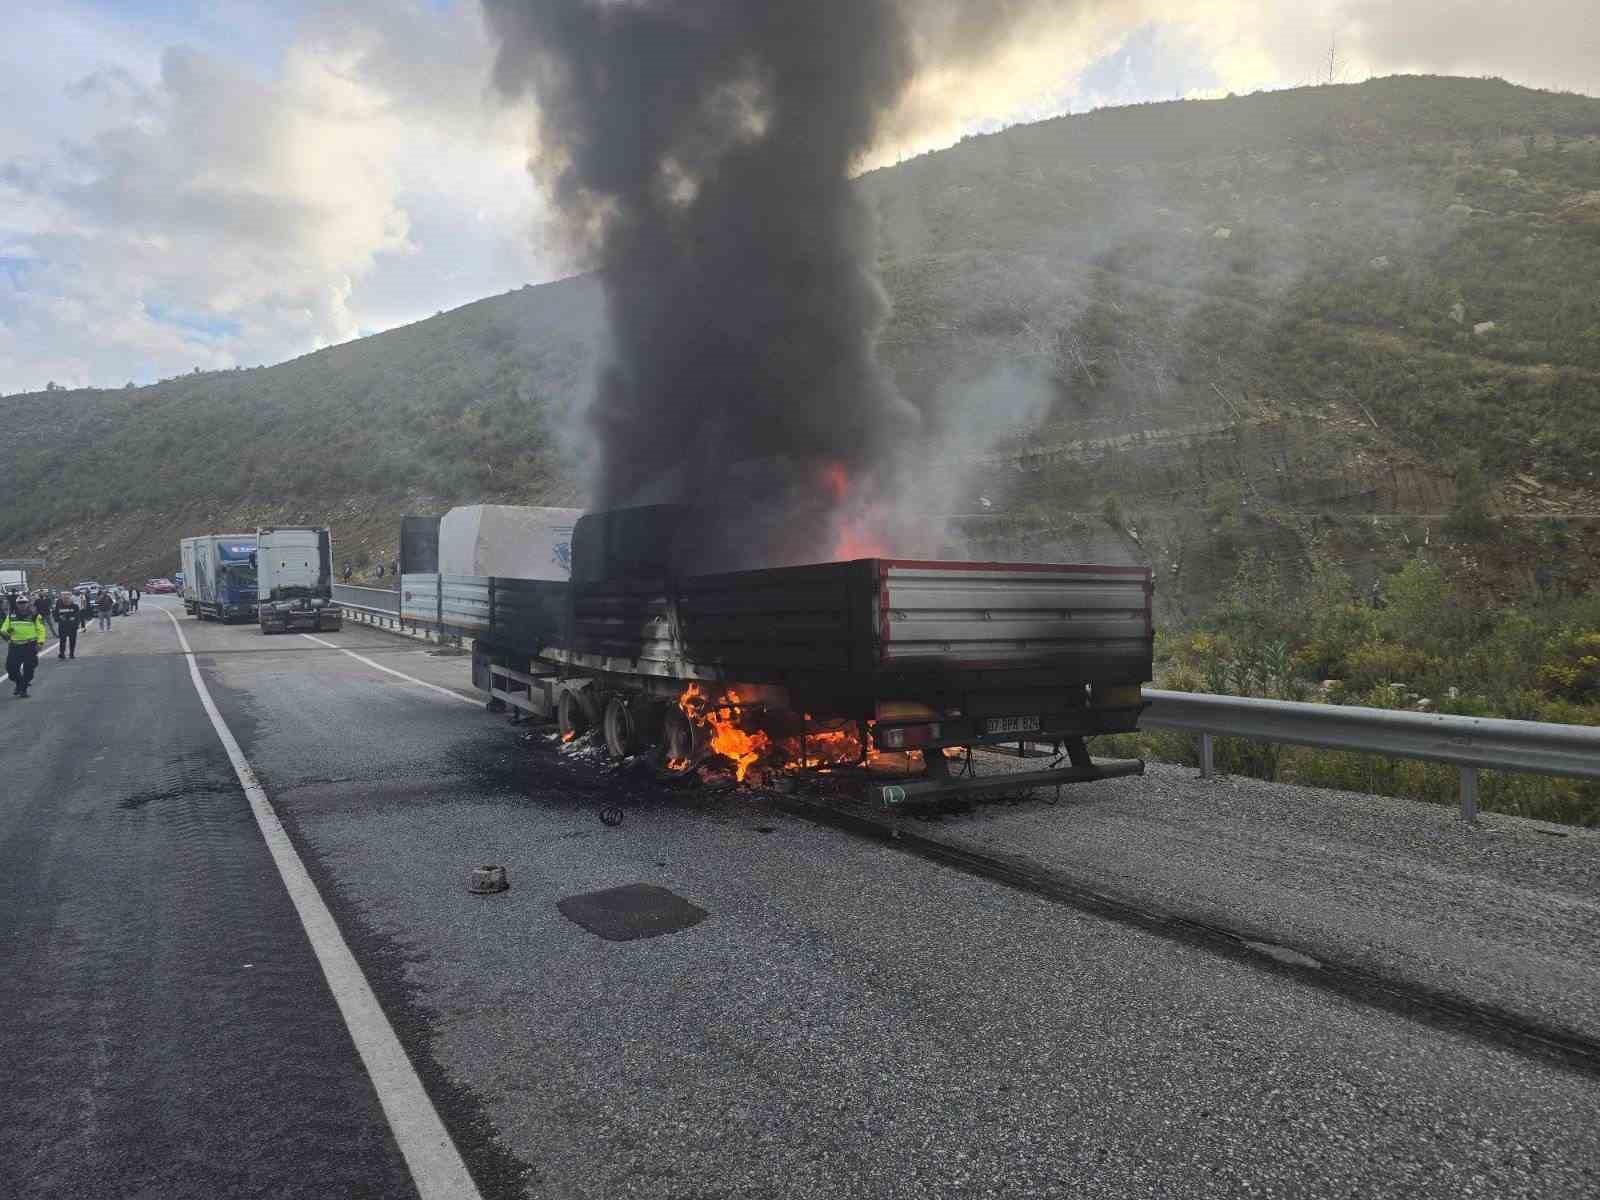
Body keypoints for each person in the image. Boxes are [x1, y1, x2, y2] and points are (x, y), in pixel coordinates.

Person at [2, 595, 50, 697]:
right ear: (17, 604)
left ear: (28, 603)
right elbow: (4, 629)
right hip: (15, 646)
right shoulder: (11, 615)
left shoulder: (35, 615)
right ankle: (20, 683)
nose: (22, 605)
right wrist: (6, 632)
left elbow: (41, 630)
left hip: (30, 645)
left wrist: (40, 642)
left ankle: (23, 689)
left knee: (29, 669)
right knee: (11, 669)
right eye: (20, 603)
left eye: (24, 602)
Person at [53, 591, 81, 659]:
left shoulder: (75, 607)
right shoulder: (59, 607)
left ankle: (71, 653)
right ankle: (62, 653)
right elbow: (55, 617)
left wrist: (76, 624)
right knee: (62, 640)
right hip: (63, 627)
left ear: (71, 599)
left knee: (72, 640)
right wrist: (60, 618)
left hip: (72, 627)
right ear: (62, 599)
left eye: (67, 598)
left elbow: (78, 617)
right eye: (64, 599)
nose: (66, 600)